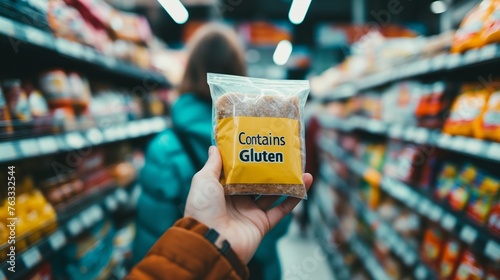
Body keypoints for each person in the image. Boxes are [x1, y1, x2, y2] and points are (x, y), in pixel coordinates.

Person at [131, 23, 246, 264]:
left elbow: (154, 236)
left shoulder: (165, 148)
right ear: (239, 72)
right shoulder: (259, 142)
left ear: (190, 71)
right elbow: (277, 221)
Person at [128, 146, 313, 279]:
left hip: (197, 260)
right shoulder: (278, 130)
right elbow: (280, 226)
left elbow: (152, 232)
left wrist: (205, 236)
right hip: (259, 263)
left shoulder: (164, 147)